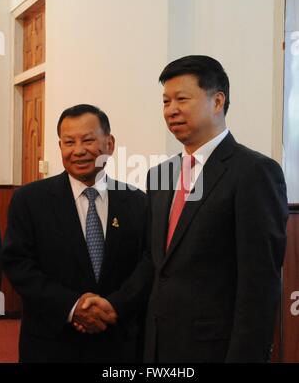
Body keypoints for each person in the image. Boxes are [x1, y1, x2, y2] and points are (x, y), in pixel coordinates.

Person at [81, 56, 288, 363]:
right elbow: (155, 262)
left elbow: (259, 282)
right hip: (158, 346)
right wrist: (115, 305)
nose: (171, 110)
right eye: (165, 101)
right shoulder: (160, 174)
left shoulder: (253, 172)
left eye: (182, 99)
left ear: (218, 101)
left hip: (215, 350)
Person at [2, 104, 147, 362]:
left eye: (88, 140)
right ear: (60, 148)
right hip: (51, 344)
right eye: (69, 142)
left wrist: (115, 307)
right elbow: (18, 265)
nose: (78, 150)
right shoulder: (30, 200)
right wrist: (73, 306)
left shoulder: (138, 202)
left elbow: (148, 264)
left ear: (110, 144)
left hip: (118, 343)